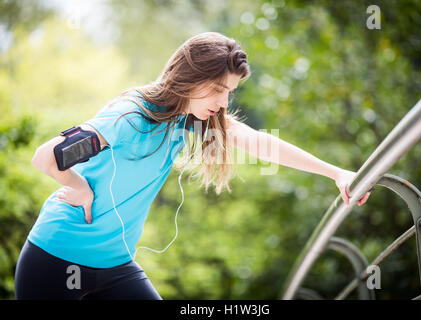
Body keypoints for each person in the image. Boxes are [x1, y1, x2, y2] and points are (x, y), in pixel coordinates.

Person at [14, 32, 372, 300]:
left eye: (229, 91)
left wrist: (336, 173)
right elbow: (47, 156)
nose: (223, 101)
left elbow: (262, 144)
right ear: (190, 77)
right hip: (54, 261)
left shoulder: (187, 120)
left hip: (114, 266)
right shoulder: (129, 117)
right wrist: (79, 186)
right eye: (217, 89)